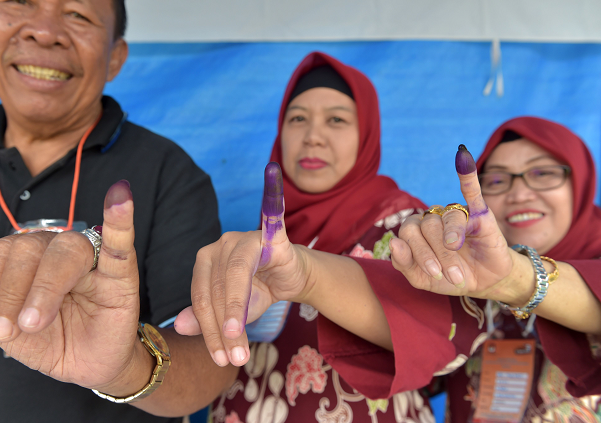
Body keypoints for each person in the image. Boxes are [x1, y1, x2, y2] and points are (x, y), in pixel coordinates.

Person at [177, 117, 601, 421]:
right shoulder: (265, 238)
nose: (521, 192)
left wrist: (515, 278)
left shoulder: (397, 225)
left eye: (544, 174)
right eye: (498, 180)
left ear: (580, 180)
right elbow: (431, 345)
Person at [0, 1, 238, 422]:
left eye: (78, 14)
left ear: (115, 57)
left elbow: (214, 358)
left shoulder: (167, 174)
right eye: (20, 2)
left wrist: (125, 367)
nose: (44, 31)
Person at [180, 51, 437, 422]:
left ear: (366, 134)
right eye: (298, 118)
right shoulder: (255, 242)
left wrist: (309, 277)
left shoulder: (404, 228)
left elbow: (437, 335)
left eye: (336, 120)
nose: (313, 137)